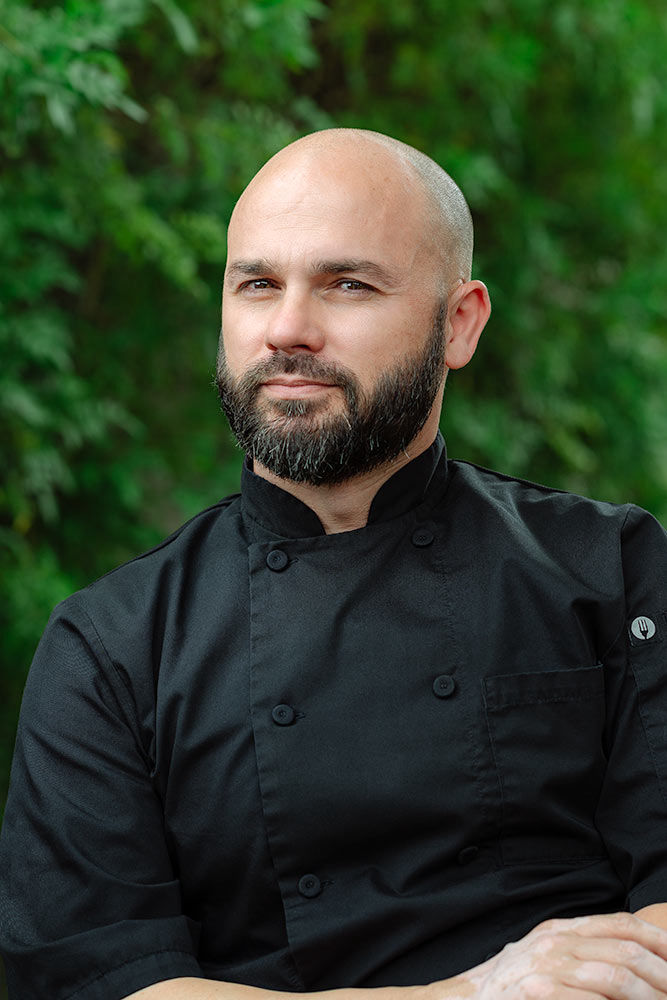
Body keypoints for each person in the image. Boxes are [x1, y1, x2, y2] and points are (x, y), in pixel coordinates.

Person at [1, 128, 667, 1000]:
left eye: (346, 284)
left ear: (458, 323)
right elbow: (110, 983)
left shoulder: (608, 568)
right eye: (257, 285)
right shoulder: (114, 644)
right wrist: (469, 996)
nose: (287, 329)